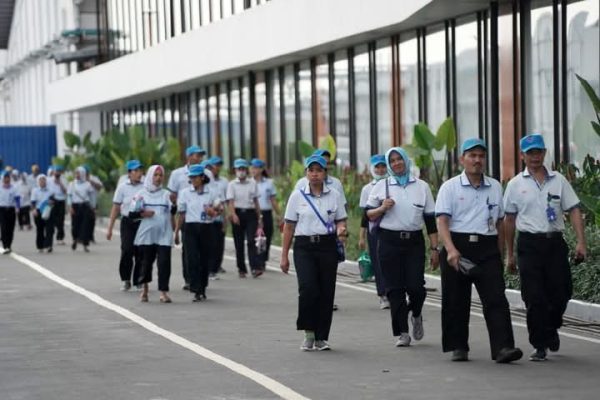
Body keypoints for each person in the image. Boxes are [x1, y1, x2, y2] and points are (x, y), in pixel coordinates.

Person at [435, 138, 523, 363]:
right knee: (456, 300)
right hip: (457, 246)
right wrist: (450, 250)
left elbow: (500, 222)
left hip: (487, 248)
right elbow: (442, 221)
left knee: (496, 298)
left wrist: (501, 253)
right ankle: (458, 346)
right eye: (472, 155)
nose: (477, 160)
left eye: (481, 156)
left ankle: (503, 347)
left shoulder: (494, 186)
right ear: (462, 159)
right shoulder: (450, 187)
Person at [503, 134, 586, 362]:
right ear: (522, 156)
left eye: (538, 152)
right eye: (530, 153)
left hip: (554, 244)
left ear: (544, 153)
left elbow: (574, 209)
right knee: (534, 297)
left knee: (561, 292)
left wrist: (581, 242)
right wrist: (510, 255)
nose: (535, 157)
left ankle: (551, 327)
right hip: (528, 245)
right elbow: (509, 220)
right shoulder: (515, 185)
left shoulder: (558, 180)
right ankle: (539, 344)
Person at [366, 148, 439, 347]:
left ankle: (416, 313)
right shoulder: (381, 186)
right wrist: (382, 207)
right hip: (388, 242)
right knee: (394, 289)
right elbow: (368, 215)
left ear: (406, 161)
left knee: (416, 287)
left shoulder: (422, 186)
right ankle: (403, 332)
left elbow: (430, 221)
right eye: (393, 161)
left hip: (414, 243)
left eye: (400, 159)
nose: (397, 163)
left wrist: (435, 249)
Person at [280, 155, 348, 351]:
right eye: (311, 170)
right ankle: (309, 333)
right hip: (304, 247)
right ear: (306, 173)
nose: (315, 174)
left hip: (327, 246)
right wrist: (284, 256)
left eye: (319, 170)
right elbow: (289, 227)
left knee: (327, 291)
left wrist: (341, 230)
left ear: (325, 173)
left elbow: (341, 220)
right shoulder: (297, 196)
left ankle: (321, 337)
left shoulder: (334, 195)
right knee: (308, 289)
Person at [174, 164, 222, 301]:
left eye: (195, 177)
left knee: (204, 259)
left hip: (206, 227)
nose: (193, 180)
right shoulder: (185, 193)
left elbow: (219, 209)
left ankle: (202, 288)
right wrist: (176, 232)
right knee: (192, 258)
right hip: (190, 228)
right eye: (191, 177)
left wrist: (213, 212)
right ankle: (195, 287)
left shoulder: (211, 192)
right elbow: (181, 214)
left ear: (202, 177)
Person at [130, 165, 174, 303]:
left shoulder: (166, 194)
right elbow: (132, 214)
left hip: (164, 234)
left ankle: (163, 293)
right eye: (155, 175)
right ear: (150, 176)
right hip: (146, 235)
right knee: (146, 263)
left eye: (161, 175)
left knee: (164, 263)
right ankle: (145, 289)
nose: (158, 178)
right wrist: (143, 214)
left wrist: (174, 203)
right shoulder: (141, 194)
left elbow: (173, 211)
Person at [167, 145, 206, 290]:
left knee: (203, 251)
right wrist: (173, 219)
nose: (200, 158)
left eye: (201, 156)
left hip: (204, 219)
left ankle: (200, 278)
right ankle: (189, 279)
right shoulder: (177, 174)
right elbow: (172, 196)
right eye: (197, 155)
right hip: (186, 217)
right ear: (189, 156)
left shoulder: (205, 172)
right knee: (188, 251)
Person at [107, 160, 145, 291]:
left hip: (142, 222)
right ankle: (126, 279)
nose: (139, 173)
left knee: (141, 252)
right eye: (136, 171)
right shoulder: (122, 187)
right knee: (127, 250)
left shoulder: (146, 186)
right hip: (127, 222)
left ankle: (139, 280)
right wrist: (110, 228)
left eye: (140, 170)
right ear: (129, 173)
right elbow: (116, 207)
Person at [359, 154, 389, 309]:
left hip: (391, 230)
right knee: (377, 262)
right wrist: (361, 236)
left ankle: (394, 292)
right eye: (377, 167)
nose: (380, 169)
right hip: (374, 231)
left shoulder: (393, 185)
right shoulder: (367, 189)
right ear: (372, 168)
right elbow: (365, 215)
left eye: (383, 166)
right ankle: (383, 295)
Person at [227, 158, 263, 278]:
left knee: (252, 241)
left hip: (250, 214)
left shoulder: (252, 183)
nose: (241, 171)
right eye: (239, 169)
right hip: (237, 213)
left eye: (243, 169)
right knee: (239, 243)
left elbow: (256, 201)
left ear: (246, 170)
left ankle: (255, 267)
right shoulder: (232, 184)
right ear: (235, 170)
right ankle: (241, 269)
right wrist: (233, 214)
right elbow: (230, 202)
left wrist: (260, 217)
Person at [250, 158, 282, 271]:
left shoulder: (269, 183)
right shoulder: (249, 183)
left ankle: (263, 259)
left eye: (256, 168)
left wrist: (279, 214)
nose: (253, 170)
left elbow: (273, 200)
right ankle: (257, 261)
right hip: (253, 213)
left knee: (266, 237)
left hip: (266, 213)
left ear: (261, 169)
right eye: (252, 167)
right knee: (256, 238)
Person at [206, 156, 229, 278]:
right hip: (207, 222)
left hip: (218, 220)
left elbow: (223, 203)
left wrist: (225, 220)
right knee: (211, 246)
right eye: (215, 166)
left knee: (219, 245)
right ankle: (210, 269)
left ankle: (215, 267)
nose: (217, 168)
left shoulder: (221, 183)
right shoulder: (202, 187)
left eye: (219, 165)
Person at [68, 166, 95, 252]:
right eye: (76, 173)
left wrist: (93, 207)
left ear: (83, 174)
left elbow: (92, 197)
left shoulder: (88, 184)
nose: (77, 175)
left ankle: (85, 245)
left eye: (78, 173)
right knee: (75, 225)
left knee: (85, 225)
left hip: (85, 207)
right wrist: (70, 207)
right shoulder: (72, 184)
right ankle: (75, 240)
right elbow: (69, 196)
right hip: (75, 206)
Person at [30, 174, 55, 252]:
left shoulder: (50, 190)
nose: (42, 182)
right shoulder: (35, 190)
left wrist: (52, 202)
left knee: (49, 229)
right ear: (38, 181)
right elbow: (33, 202)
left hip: (48, 211)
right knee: (40, 229)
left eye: (44, 180)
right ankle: (40, 246)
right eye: (41, 180)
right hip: (38, 211)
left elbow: (53, 200)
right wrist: (33, 210)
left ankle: (48, 245)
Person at [47, 165, 68, 245]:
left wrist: (60, 183)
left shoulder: (64, 180)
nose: (57, 173)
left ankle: (60, 237)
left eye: (59, 171)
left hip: (61, 201)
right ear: (54, 172)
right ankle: (50, 237)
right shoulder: (49, 180)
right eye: (56, 171)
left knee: (61, 220)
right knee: (52, 220)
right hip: (53, 200)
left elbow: (66, 191)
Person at [0, 171, 19, 254]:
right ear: (3, 179)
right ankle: (5, 245)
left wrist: (17, 207)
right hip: (2, 209)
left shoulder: (14, 188)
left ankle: (9, 245)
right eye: (5, 178)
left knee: (10, 228)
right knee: (3, 227)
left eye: (8, 178)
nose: (6, 179)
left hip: (11, 209)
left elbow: (17, 198)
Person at [84, 165, 104, 244]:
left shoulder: (94, 178)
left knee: (91, 221)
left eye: (86, 172)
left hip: (93, 203)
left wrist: (90, 181)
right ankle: (83, 237)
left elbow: (100, 187)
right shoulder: (78, 179)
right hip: (83, 203)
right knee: (83, 221)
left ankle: (90, 237)